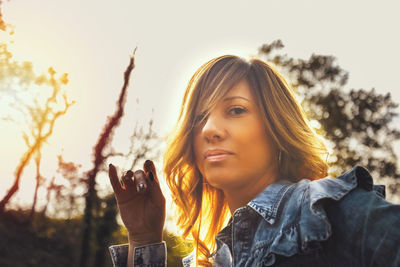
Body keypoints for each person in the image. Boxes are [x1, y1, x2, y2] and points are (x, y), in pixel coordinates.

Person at [107, 55, 400, 267]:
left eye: (235, 110)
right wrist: (143, 239)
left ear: (275, 128)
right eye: (199, 118)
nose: (209, 129)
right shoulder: (212, 260)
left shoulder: (326, 211)